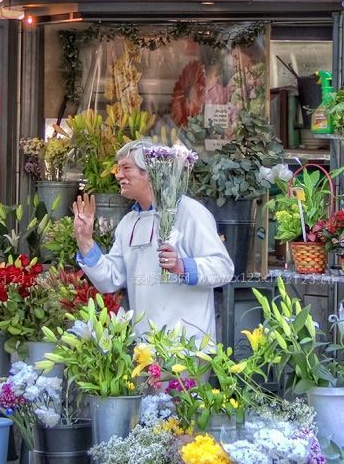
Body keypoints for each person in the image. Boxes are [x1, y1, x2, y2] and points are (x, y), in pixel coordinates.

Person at [73, 139, 234, 339]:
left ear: (149, 171)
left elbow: (223, 269)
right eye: (118, 168)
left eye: (126, 168)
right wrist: (85, 241)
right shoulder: (128, 223)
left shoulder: (190, 212)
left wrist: (182, 267)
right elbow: (110, 280)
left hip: (187, 348)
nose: (118, 175)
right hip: (144, 348)